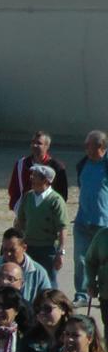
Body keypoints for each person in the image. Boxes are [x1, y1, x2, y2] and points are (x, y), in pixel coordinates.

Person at [13, 164, 68, 285]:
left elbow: (62, 228)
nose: (31, 178)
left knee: (49, 282)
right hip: (28, 247)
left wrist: (60, 252)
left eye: (35, 176)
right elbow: (20, 222)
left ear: (45, 180)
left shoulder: (56, 200)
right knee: (25, 280)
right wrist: (15, 241)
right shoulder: (28, 196)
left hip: (48, 249)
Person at [72, 131, 108, 307]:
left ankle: (104, 295)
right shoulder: (83, 164)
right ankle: (82, 294)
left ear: (100, 147)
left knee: (103, 262)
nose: (85, 148)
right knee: (80, 259)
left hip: (103, 224)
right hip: (82, 222)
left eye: (89, 145)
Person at [0, 229, 52, 304]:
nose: (8, 254)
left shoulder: (39, 273)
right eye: (5, 249)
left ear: (24, 248)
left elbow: (47, 300)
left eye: (12, 250)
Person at [8, 131, 68, 211]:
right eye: (33, 142)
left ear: (47, 146)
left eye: (39, 143)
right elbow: (13, 190)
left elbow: (62, 195)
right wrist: (18, 209)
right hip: (25, 214)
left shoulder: (57, 168)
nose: (34, 145)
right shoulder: (21, 165)